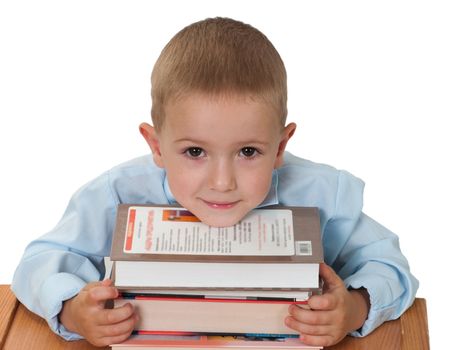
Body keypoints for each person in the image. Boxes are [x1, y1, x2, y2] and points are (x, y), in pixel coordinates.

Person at [11, 17, 418, 347]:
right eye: (194, 152)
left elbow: (390, 266)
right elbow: (38, 262)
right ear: (156, 144)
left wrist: (356, 307)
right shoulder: (118, 193)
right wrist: (70, 309)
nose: (222, 183)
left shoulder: (323, 194)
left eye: (248, 152)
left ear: (280, 146)